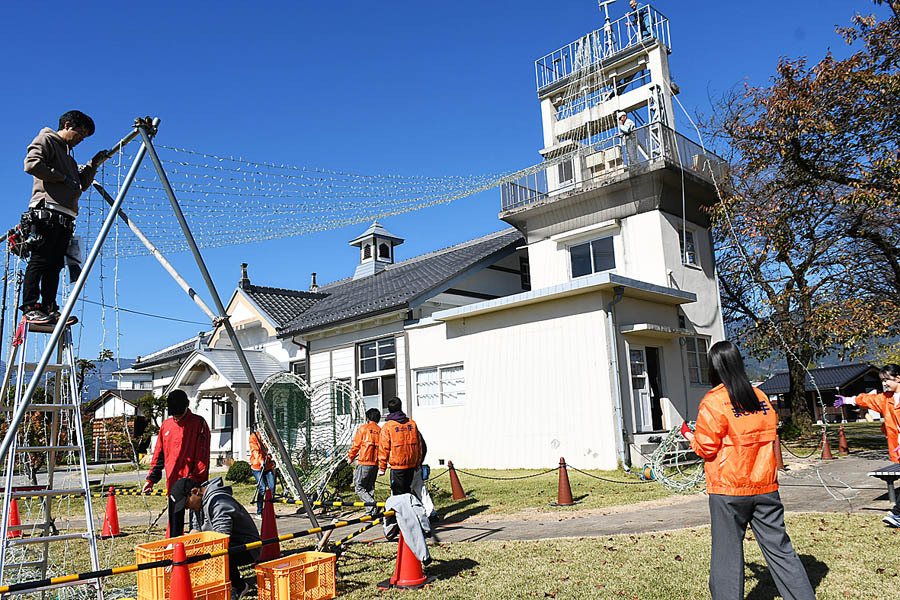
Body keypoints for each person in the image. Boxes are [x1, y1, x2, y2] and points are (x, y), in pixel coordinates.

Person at [682, 341, 815, 600]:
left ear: (713, 367)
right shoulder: (761, 397)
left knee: (727, 554)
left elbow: (706, 448)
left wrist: (690, 437)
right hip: (765, 485)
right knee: (780, 550)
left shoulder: (714, 401)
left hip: (728, 488)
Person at [21, 110, 107, 324]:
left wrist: (93, 165)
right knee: (40, 260)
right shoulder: (47, 139)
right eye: (79, 134)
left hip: (65, 216)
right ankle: (30, 307)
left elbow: (79, 185)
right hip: (47, 211)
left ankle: (49, 307)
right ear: (68, 125)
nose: (80, 140)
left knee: (55, 265)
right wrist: (60, 177)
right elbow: (31, 164)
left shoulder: (68, 155)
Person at [834, 363, 900, 527]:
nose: (884, 384)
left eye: (887, 380)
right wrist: (847, 400)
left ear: (898, 378)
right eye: (882, 381)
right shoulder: (886, 398)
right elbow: (868, 400)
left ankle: (897, 513)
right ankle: (897, 514)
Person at [172, 477, 258, 600]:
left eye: (186, 503)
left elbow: (222, 537)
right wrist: (178, 546)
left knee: (216, 552)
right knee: (203, 551)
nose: (186, 508)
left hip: (248, 547)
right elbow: (196, 530)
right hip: (229, 543)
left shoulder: (218, 502)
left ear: (195, 491)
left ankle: (239, 586)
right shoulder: (198, 503)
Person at [142, 389, 211, 536]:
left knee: (198, 521)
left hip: (194, 484)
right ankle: (174, 547)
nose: (177, 417)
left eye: (179, 412)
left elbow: (202, 456)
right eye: (174, 413)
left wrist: (193, 480)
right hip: (174, 483)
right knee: (174, 522)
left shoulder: (199, 423)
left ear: (187, 404)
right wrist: (151, 479)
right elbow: (159, 454)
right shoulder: (166, 426)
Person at [378, 397, 423, 496]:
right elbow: (419, 445)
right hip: (411, 464)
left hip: (397, 466)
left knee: (398, 494)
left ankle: (400, 511)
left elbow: (383, 448)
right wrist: (418, 463)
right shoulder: (411, 423)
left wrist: (382, 468)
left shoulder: (388, 426)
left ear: (389, 409)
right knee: (408, 492)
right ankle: (408, 511)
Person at [348, 408, 381, 516]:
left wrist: (351, 457)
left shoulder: (363, 429)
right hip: (375, 464)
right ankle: (370, 512)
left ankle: (372, 505)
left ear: (368, 418)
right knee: (370, 487)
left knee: (359, 486)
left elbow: (356, 445)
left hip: (364, 462)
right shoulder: (381, 431)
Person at [248, 430, 276, 517]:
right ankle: (259, 511)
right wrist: (260, 460)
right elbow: (255, 450)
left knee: (271, 487)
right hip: (257, 466)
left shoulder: (269, 435)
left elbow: (273, 447)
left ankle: (269, 509)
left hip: (268, 465)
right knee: (262, 488)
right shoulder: (254, 436)